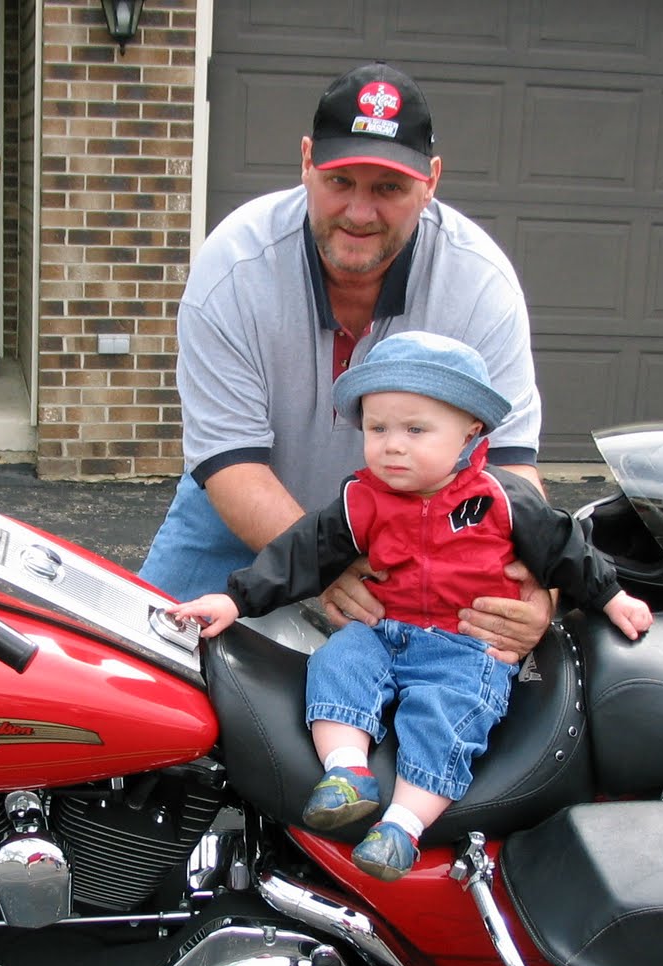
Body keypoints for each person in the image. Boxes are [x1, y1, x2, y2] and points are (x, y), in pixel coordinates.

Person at [168, 332, 653, 881]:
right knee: (337, 662)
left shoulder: (499, 499)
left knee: (447, 714)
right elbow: (301, 553)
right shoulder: (361, 499)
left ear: (470, 431)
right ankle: (346, 772)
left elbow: (565, 549)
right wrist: (236, 598)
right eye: (378, 429)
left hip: (465, 646)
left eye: (415, 430)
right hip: (385, 630)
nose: (392, 446)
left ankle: (403, 825)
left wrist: (611, 596)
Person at [141, 61, 552, 661]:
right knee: (146, 664)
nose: (360, 213)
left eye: (389, 188)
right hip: (237, 516)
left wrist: (539, 587)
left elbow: (510, 466)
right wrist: (325, 563)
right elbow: (230, 461)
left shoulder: (478, 283)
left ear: (431, 182)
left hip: (417, 537)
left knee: (434, 696)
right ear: (307, 162)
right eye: (340, 181)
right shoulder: (234, 267)